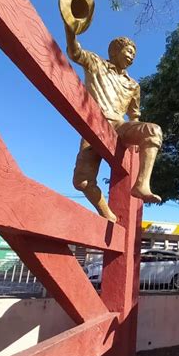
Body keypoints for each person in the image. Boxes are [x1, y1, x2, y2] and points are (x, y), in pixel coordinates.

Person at [64, 24, 163, 222]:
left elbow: (134, 115)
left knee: (153, 130)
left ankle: (142, 184)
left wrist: (136, 140)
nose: (132, 56)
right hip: (94, 124)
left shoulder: (133, 85)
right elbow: (75, 53)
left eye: (134, 53)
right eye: (129, 50)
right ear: (115, 51)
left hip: (119, 126)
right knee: (82, 181)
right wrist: (71, 29)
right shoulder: (96, 63)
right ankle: (106, 212)